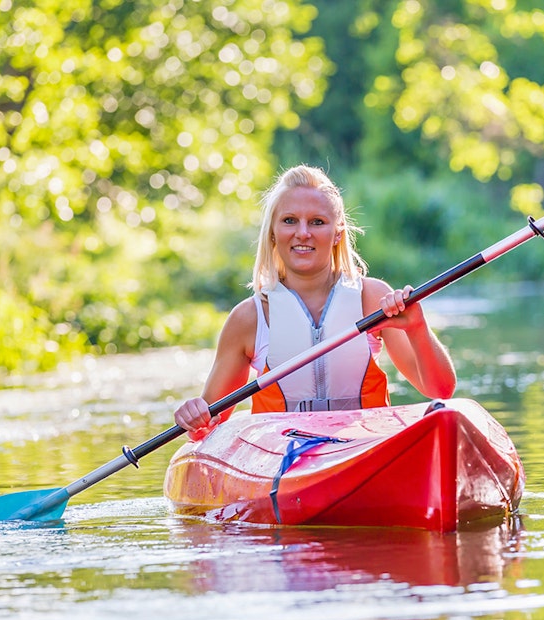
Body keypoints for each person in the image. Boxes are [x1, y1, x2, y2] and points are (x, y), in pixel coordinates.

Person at [173, 164, 457, 439]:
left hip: (363, 445)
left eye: (317, 222)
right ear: (273, 232)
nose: (303, 232)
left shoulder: (372, 298)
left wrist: (418, 328)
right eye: (289, 220)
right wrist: (194, 415)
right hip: (282, 457)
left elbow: (440, 390)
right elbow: (207, 427)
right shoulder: (249, 318)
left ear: (337, 233)